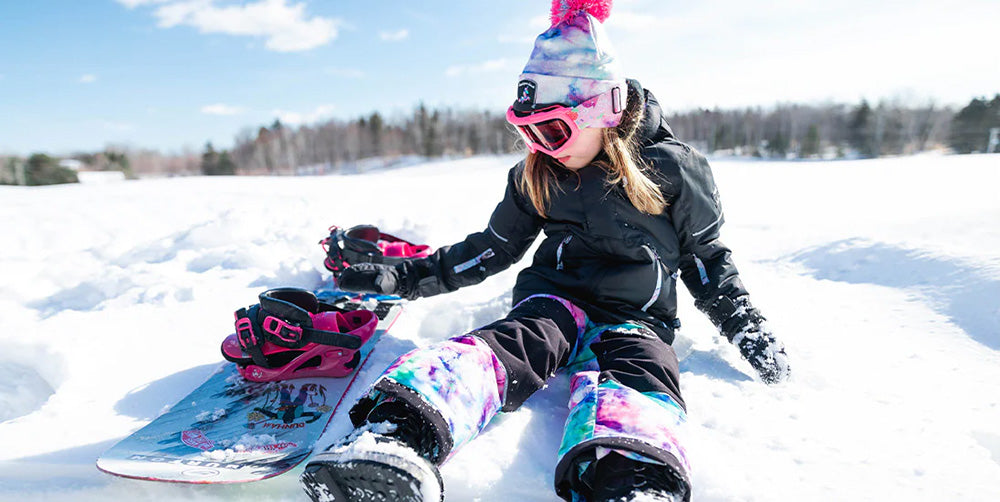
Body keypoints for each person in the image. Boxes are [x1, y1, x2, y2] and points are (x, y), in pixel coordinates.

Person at [299, 1, 790, 501]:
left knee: (642, 370)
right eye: (528, 131)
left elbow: (705, 260)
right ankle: (395, 434)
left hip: (637, 316)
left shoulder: (673, 169)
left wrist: (747, 329)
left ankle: (633, 482)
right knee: (514, 342)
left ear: (604, 108)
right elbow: (491, 248)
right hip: (554, 300)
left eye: (552, 129)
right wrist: (403, 277)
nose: (542, 146)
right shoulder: (537, 172)